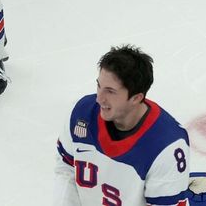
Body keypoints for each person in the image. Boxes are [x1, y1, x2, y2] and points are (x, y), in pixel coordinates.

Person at [56, 46, 193, 206]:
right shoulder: (81, 113)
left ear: (136, 98)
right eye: (99, 86)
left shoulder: (167, 145)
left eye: (110, 91)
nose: (99, 99)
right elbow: (66, 168)